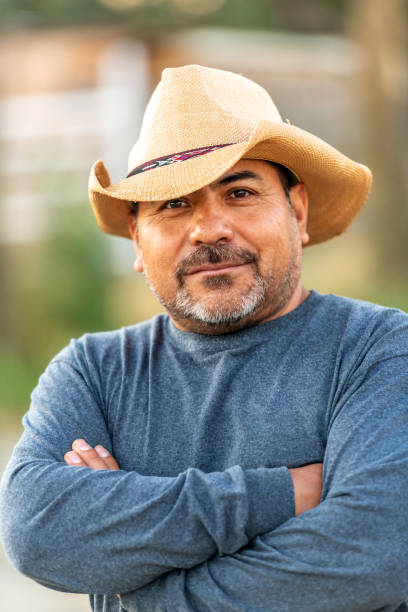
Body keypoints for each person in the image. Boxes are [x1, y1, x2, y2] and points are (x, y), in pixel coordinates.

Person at [1, 64, 408, 612]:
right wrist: (283, 496)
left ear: (298, 212)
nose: (209, 228)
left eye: (239, 191)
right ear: (138, 245)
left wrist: (139, 589)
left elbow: (372, 556)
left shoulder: (378, 351)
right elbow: (37, 532)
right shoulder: (93, 372)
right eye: (173, 203)